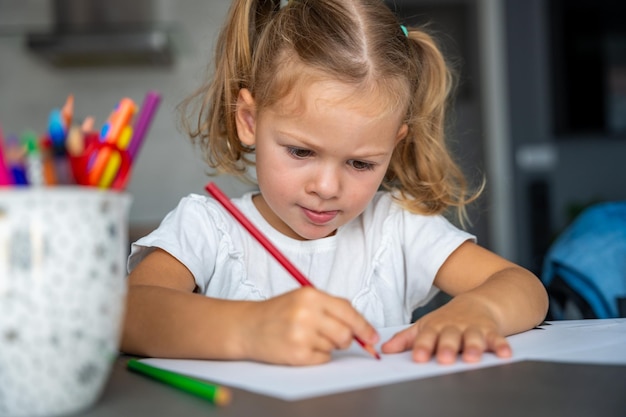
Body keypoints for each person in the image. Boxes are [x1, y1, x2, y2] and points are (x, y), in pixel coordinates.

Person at [121, 0, 548, 366]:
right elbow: (128, 314)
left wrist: (481, 309)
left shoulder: (395, 227)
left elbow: (525, 288)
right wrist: (250, 329)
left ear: (394, 147)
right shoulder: (207, 227)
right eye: (301, 152)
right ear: (249, 120)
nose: (327, 187)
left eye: (360, 163)